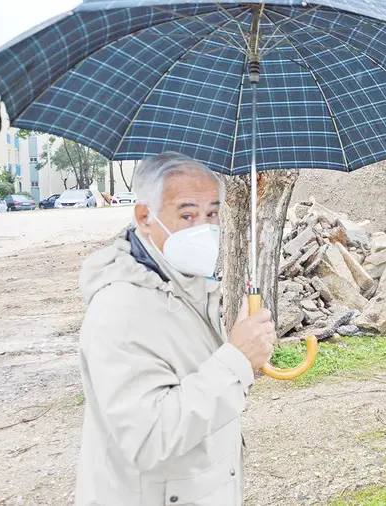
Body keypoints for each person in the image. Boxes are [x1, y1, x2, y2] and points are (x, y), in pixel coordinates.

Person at [75, 152, 275, 505]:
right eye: (187, 214)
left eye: (212, 213)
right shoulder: (120, 309)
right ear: (144, 217)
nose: (204, 227)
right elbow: (150, 435)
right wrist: (236, 359)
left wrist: (243, 359)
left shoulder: (191, 289)